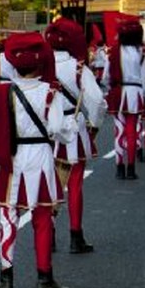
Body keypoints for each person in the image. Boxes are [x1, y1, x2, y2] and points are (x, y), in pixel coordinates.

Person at [0, 33, 77, 288]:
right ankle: (44, 278)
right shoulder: (51, 91)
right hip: (40, 157)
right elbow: (60, 130)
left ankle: (6, 278)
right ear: (40, 63)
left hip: (13, 157)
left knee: (8, 218)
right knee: (42, 218)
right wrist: (70, 129)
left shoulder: (0, 92)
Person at [45, 18, 106, 254]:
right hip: (74, 127)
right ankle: (75, 235)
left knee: (48, 183)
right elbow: (97, 101)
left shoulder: (41, 67)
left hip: (47, 130)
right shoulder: (79, 68)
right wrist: (94, 125)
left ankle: (47, 234)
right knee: (75, 184)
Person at [104, 20, 145, 180]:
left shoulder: (114, 51)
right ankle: (131, 168)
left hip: (119, 91)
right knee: (132, 132)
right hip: (136, 91)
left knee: (118, 131)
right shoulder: (143, 52)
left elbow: (106, 76)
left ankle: (119, 167)